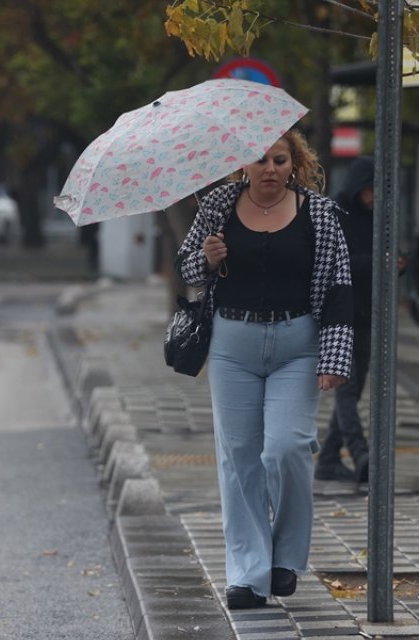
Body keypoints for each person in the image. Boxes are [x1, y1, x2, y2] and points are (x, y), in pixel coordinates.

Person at [175, 129, 354, 610]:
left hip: (297, 346)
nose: (270, 168)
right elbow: (186, 269)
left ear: (294, 163)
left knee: (287, 447)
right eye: (260, 160)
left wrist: (336, 356)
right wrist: (206, 259)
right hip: (233, 346)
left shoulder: (319, 212)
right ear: (243, 166)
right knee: (239, 459)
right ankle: (248, 575)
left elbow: (339, 283)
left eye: (279, 159)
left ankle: (286, 558)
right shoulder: (217, 205)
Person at [316, 156, 375, 483]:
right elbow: (336, 263)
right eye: (369, 189)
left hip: (366, 313)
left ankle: (327, 460)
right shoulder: (335, 213)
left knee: (354, 388)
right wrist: (375, 261)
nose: (373, 197)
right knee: (347, 389)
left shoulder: (374, 216)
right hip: (340, 317)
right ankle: (359, 452)